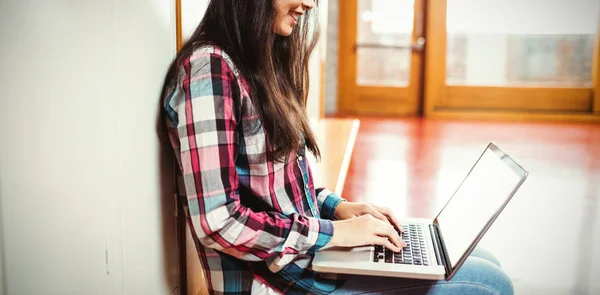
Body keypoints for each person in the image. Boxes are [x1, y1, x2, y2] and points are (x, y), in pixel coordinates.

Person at [160, 0, 514, 294]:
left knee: (483, 263)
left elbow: (277, 187)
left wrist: (340, 209)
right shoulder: (209, 70)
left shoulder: (255, 59)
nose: (310, 4)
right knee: (491, 285)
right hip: (277, 281)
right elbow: (218, 222)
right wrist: (335, 234)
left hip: (308, 262)